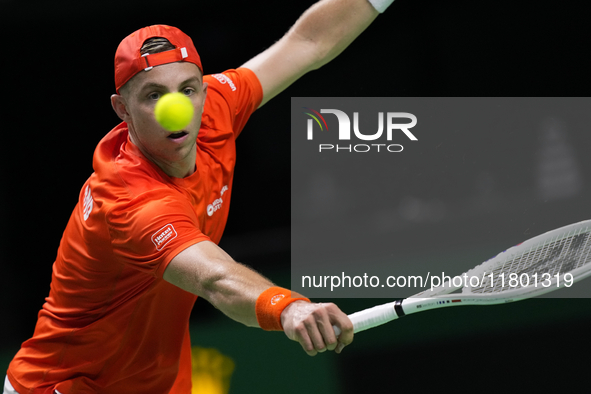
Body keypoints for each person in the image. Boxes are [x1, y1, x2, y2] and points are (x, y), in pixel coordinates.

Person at [5, 0, 393, 392]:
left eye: (187, 89)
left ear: (203, 92)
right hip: (63, 385)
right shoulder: (130, 199)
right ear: (122, 109)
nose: (177, 108)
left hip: (154, 382)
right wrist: (289, 307)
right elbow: (215, 279)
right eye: (153, 95)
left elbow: (308, 42)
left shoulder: (214, 111)